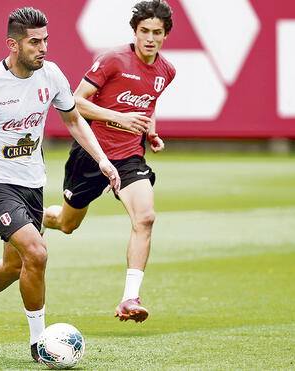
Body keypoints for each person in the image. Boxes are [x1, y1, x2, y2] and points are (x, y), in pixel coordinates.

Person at [0, 7, 120, 361]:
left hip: (32, 183)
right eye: (34, 42)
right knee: (36, 252)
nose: (43, 48)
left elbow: (73, 120)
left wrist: (102, 159)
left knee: (15, 265)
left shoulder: (51, 75)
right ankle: (40, 345)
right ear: (13, 44)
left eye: (46, 40)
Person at [42, 0, 175, 323]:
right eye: (144, 31)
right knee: (67, 224)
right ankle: (32, 216)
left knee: (145, 218)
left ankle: (130, 298)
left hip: (129, 156)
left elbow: (148, 103)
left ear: (165, 35)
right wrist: (119, 117)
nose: (150, 38)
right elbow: (74, 102)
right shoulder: (113, 59)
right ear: (135, 31)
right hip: (91, 154)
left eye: (157, 32)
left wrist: (151, 131)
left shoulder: (166, 70)